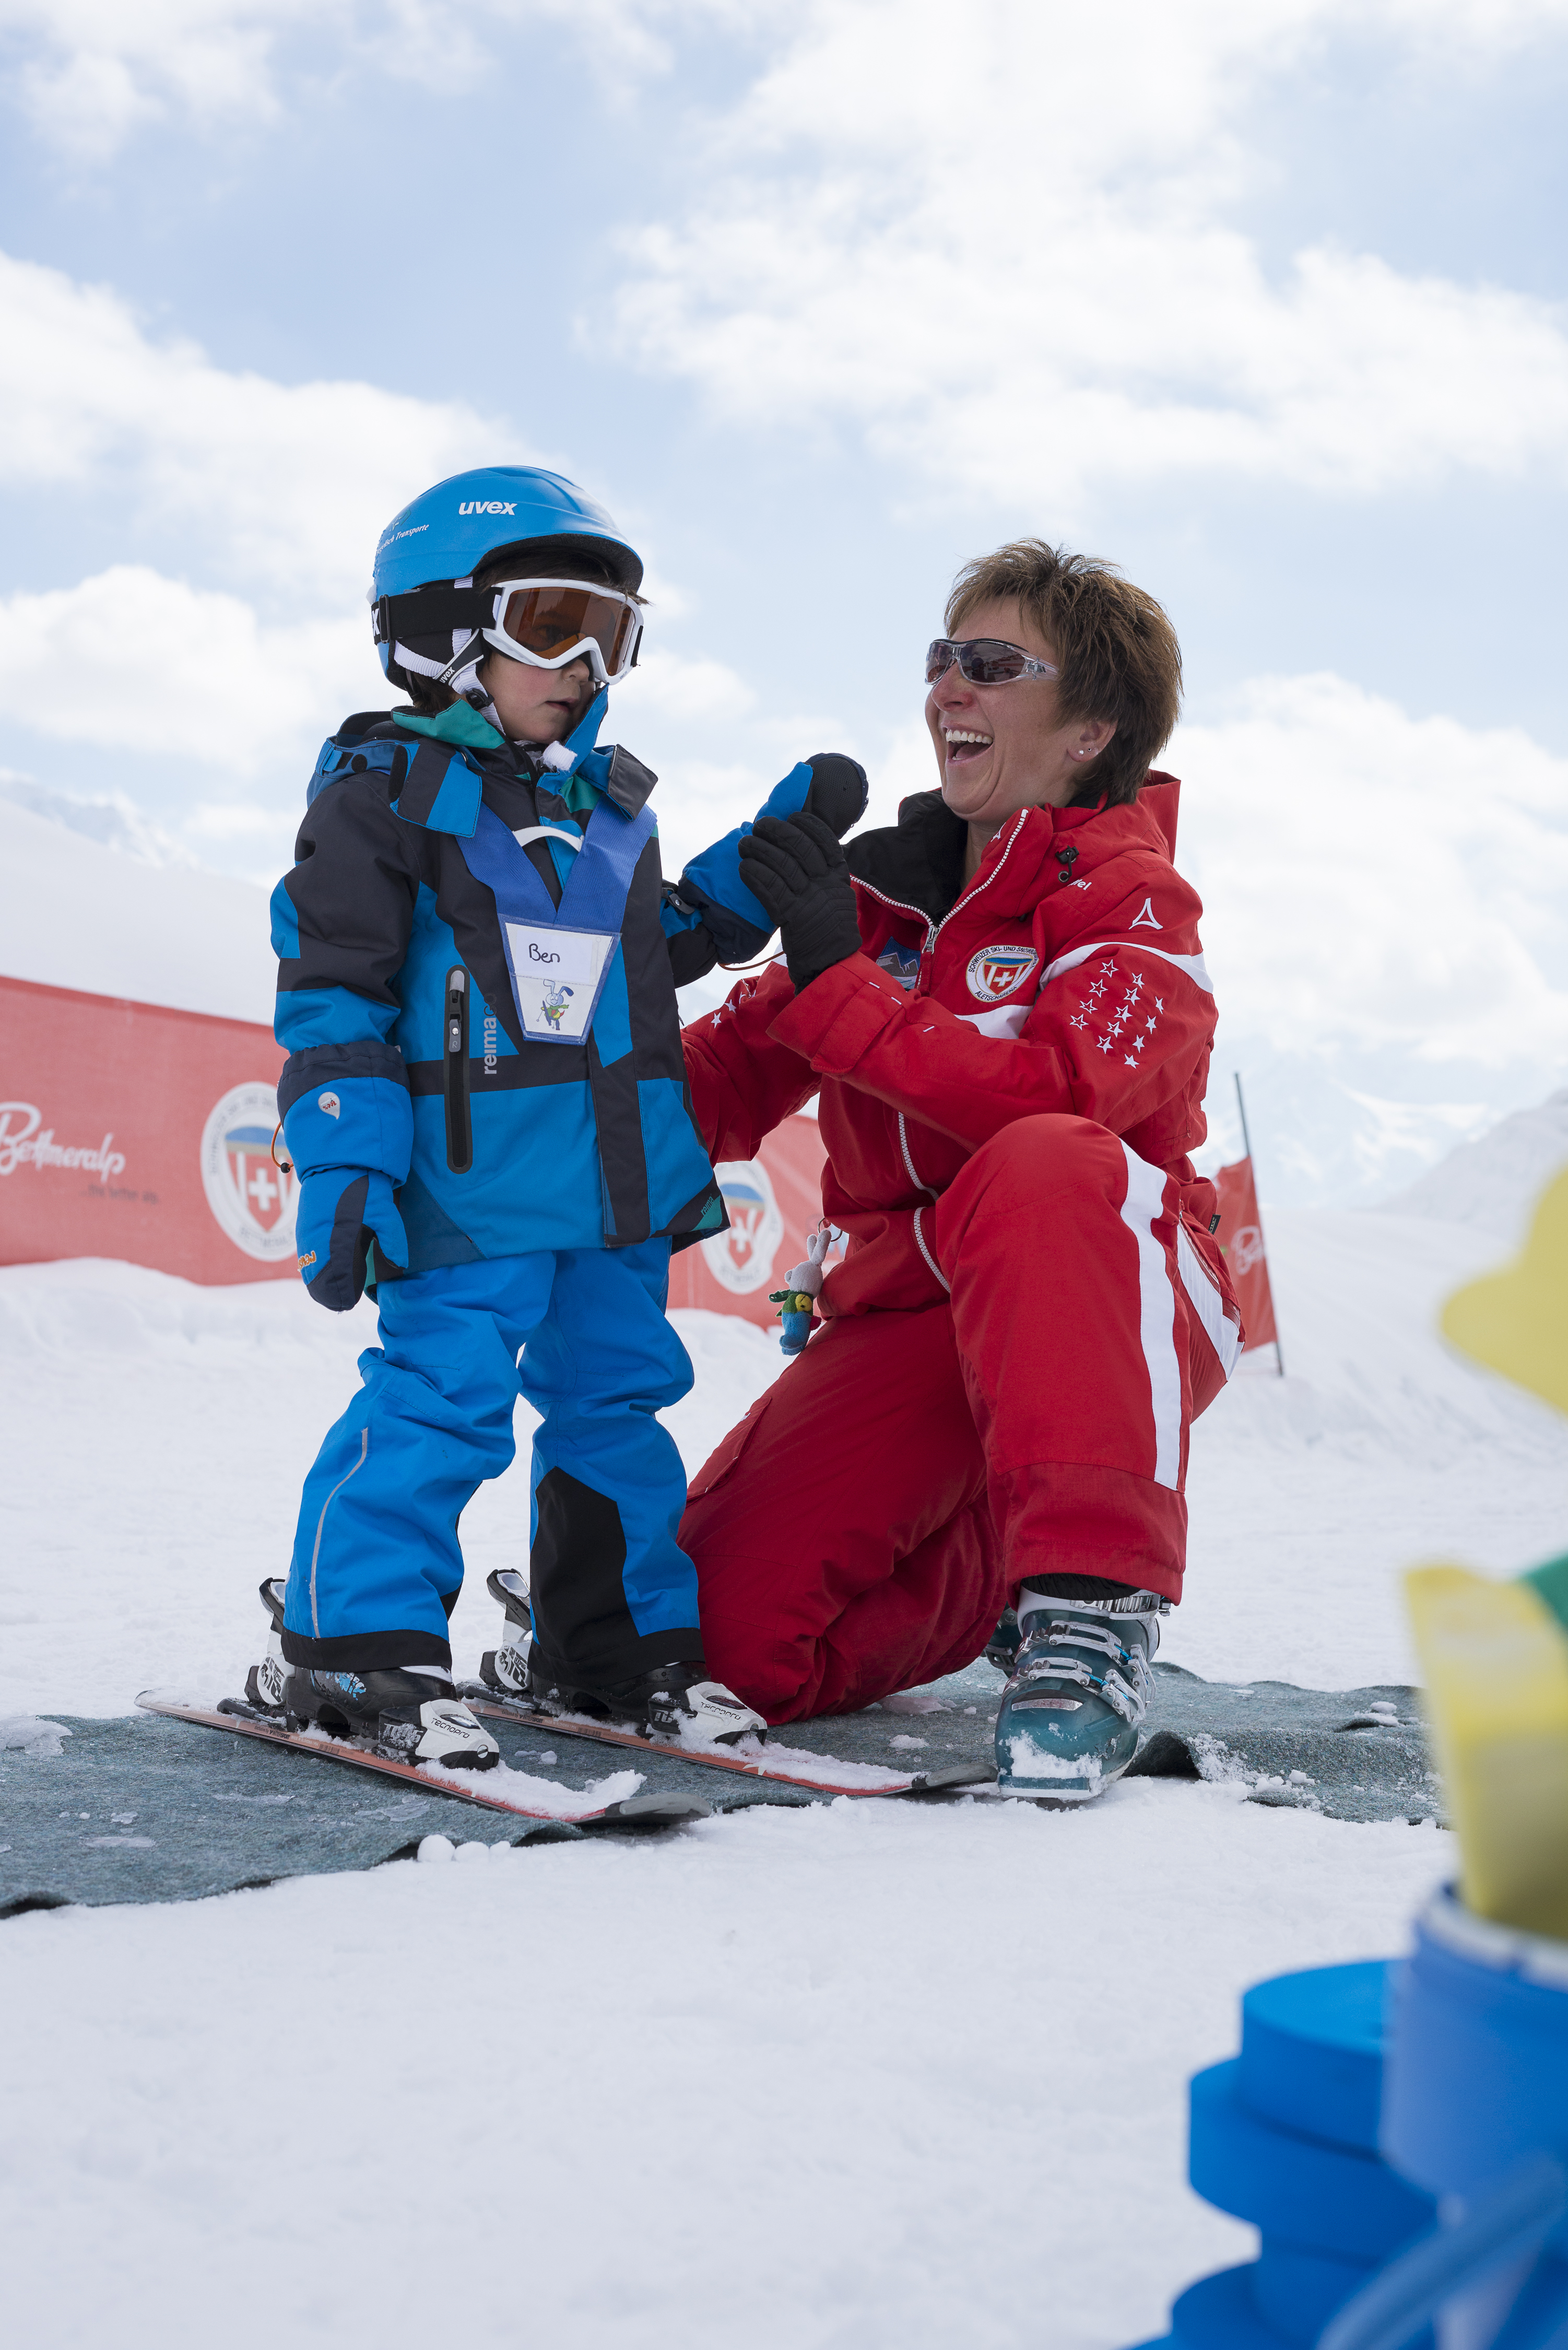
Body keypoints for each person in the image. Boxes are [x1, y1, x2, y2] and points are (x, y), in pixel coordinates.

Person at [247, 464, 867, 1770]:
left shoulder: (606, 811)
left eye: (610, 634)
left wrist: (752, 875)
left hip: (611, 1190)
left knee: (615, 1405)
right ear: (440, 630)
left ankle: (613, 1647)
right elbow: (336, 995)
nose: (585, 665)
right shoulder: (382, 795)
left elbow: (641, 958)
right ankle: (348, 1640)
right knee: (443, 1401)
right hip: (468, 1186)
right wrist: (348, 1167)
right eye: (549, 625)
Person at [677, 539, 1242, 1801]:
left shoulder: (1134, 903)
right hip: (911, 1313)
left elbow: (1062, 1100)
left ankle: (1087, 1614)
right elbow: (709, 1087)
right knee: (723, 1642)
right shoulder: (878, 906)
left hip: (1111, 1294)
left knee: (1044, 1158)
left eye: (992, 665)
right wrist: (626, 953)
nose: (948, 689)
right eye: (943, 659)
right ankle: (996, 1575)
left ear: (1090, 729)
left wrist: (838, 992)